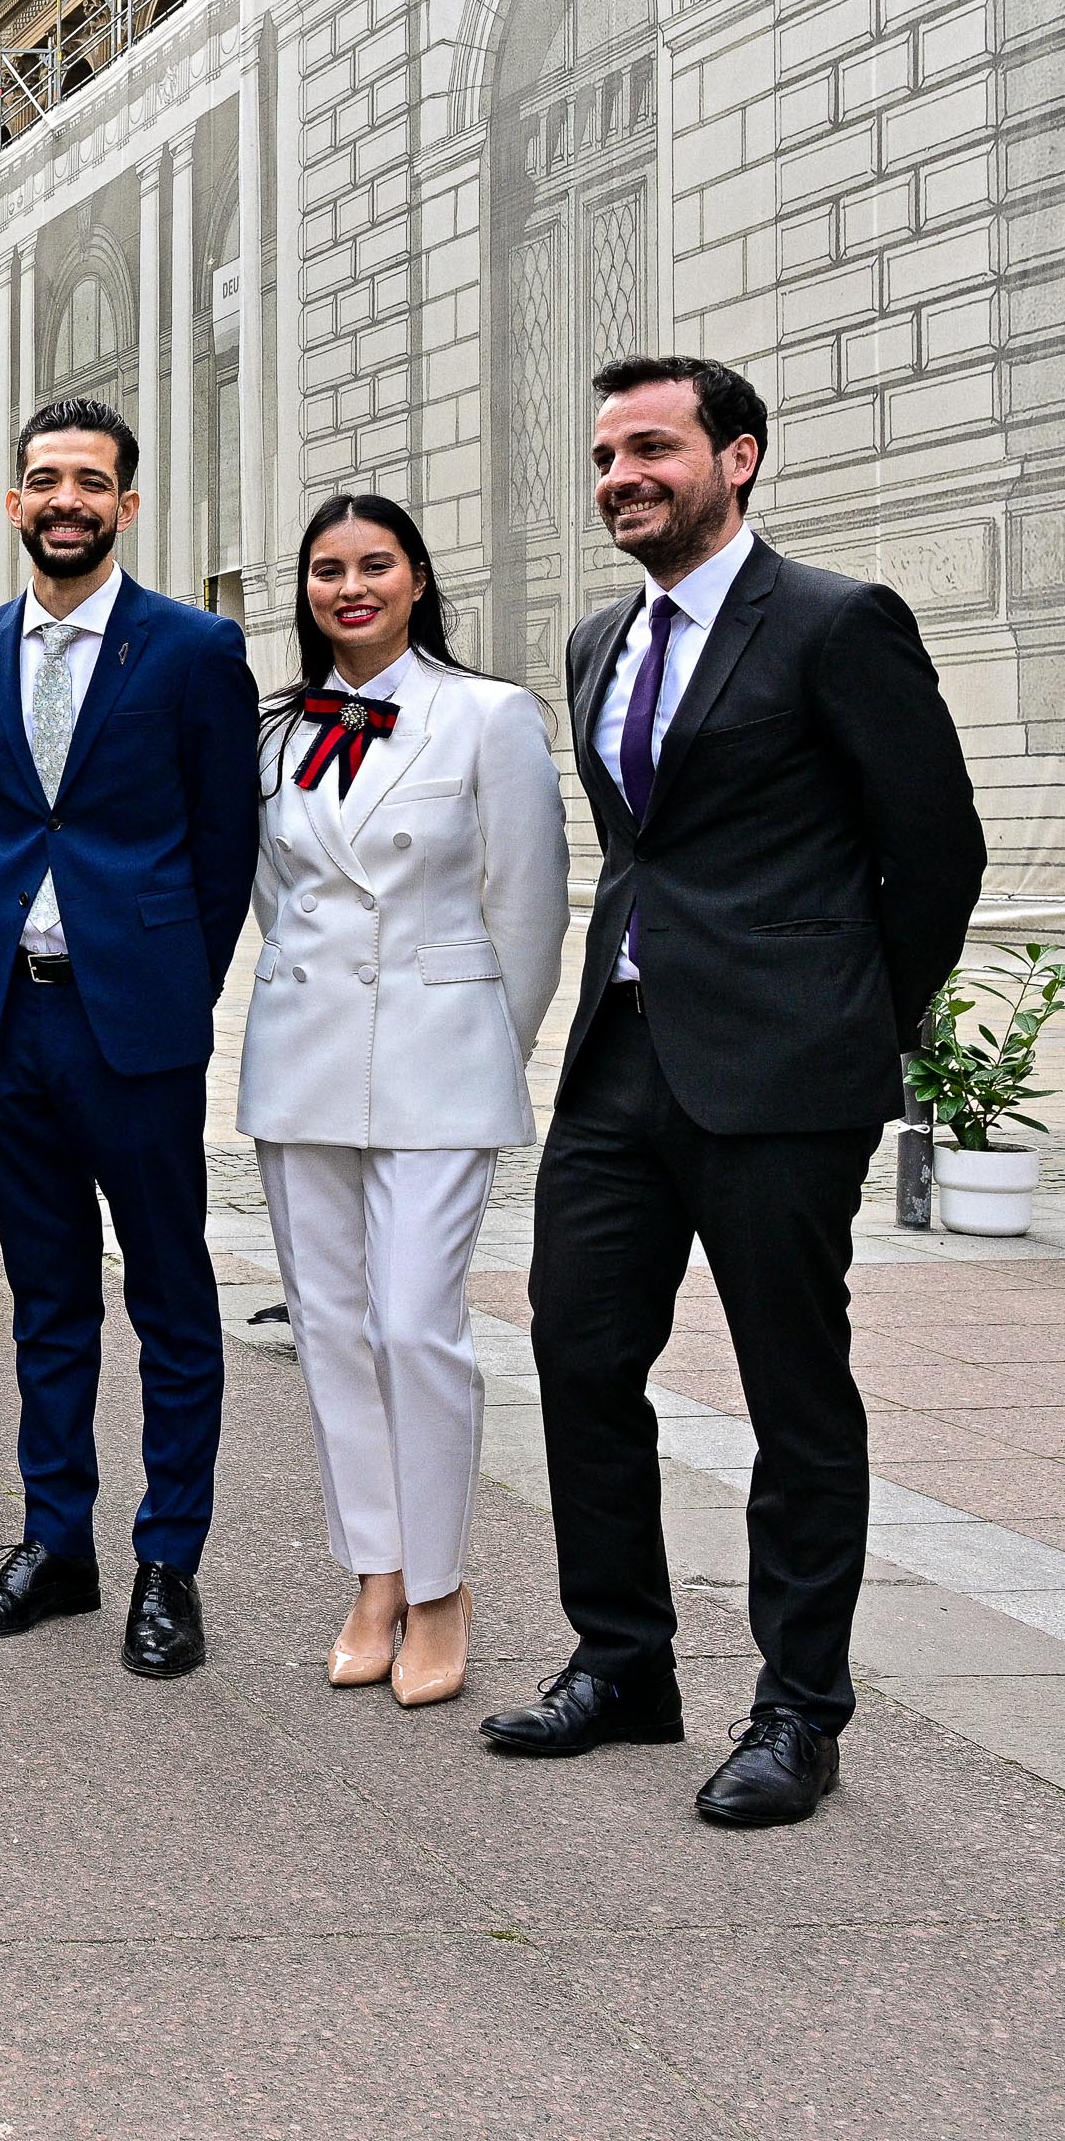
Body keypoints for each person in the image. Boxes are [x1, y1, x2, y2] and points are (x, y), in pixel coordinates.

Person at [485, 356, 983, 1827]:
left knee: (791, 1390)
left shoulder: (834, 621)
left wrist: (853, 1024)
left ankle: (796, 1712)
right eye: (604, 457)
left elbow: (934, 850)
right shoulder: (597, 640)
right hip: (619, 1064)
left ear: (738, 458)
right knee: (578, 1355)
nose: (620, 478)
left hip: (781, 1076)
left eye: (651, 448)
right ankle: (622, 1664)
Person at [0, 397, 260, 1678]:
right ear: (14, 502)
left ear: (124, 504)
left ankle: (167, 1561)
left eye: (88, 481)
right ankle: (53, 1544)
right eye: (42, 480)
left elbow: (222, 846)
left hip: (136, 1027)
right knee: (47, 1297)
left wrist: (168, 980)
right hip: (7, 1020)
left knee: (168, 1295)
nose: (63, 500)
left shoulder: (192, 649)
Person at [237, 494, 566, 1710]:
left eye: (373, 565)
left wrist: (485, 1042)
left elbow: (527, 907)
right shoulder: (273, 734)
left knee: (414, 1323)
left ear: (416, 579)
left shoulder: (488, 716)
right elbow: (278, 899)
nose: (349, 588)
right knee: (328, 1327)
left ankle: (439, 1586)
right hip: (303, 1057)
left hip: (438, 1058)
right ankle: (372, 1575)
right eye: (325, 570)